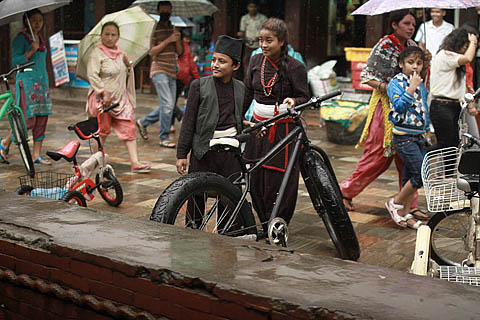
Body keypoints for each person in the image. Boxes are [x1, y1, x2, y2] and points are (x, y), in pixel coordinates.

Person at [340, 9, 429, 220]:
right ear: (394, 25)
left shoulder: (412, 48)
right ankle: (345, 191)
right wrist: (391, 87)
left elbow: (420, 79)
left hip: (410, 111)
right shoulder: (385, 45)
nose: (411, 28)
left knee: (408, 158)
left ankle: (409, 204)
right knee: (378, 156)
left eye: (413, 25)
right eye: (406, 24)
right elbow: (366, 76)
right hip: (386, 108)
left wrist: (426, 60)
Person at [243, 18, 309, 225]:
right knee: (254, 174)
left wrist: (294, 101)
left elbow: (304, 97)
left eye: (268, 40)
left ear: (281, 42)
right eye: (261, 40)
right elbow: (246, 93)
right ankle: (263, 220)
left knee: (277, 179)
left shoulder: (295, 67)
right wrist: (237, 118)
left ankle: (278, 221)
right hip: (257, 127)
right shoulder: (255, 62)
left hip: (283, 129)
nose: (263, 45)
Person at [86, 21, 151, 173]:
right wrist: (102, 91)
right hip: (102, 100)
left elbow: (127, 74)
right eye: (106, 34)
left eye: (113, 34)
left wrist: (128, 64)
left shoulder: (121, 53)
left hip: (121, 99)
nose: (109, 38)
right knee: (102, 131)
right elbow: (92, 74)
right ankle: (95, 160)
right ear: (101, 35)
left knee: (129, 128)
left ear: (118, 37)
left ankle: (135, 162)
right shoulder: (97, 52)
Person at [176, 35, 244, 177]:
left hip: (230, 153)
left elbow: (238, 117)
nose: (215, 65)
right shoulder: (199, 86)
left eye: (222, 61)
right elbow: (188, 122)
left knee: (230, 195)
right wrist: (182, 154)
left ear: (235, 66)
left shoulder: (241, 88)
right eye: (213, 60)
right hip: (204, 152)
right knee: (197, 193)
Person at [385, 46, 430, 229]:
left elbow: (423, 109)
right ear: (401, 63)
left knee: (410, 177)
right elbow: (399, 107)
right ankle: (394, 203)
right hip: (404, 137)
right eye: (410, 62)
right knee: (421, 174)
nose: (415, 67)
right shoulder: (396, 83)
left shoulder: (419, 82)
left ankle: (404, 212)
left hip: (418, 136)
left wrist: (426, 128)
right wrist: (410, 89)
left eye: (419, 63)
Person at [1, 9, 53, 165]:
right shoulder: (20, 39)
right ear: (26, 22)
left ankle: (36, 155)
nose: (37, 24)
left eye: (40, 20)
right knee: (26, 120)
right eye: (33, 20)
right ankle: (4, 143)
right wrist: (31, 50)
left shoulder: (40, 38)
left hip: (42, 84)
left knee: (42, 118)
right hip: (27, 83)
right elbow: (15, 60)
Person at [136, 1, 183, 148]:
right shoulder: (153, 28)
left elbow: (179, 52)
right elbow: (151, 52)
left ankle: (143, 122)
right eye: (163, 11)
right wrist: (168, 40)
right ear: (158, 11)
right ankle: (164, 138)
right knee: (168, 105)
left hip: (172, 71)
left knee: (167, 105)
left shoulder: (173, 28)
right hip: (159, 69)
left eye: (168, 11)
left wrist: (177, 39)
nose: (165, 14)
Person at [429, 29, 478, 151]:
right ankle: (423, 157)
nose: (467, 49)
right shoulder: (445, 55)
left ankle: (449, 171)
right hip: (442, 105)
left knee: (453, 146)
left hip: (455, 105)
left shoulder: (455, 60)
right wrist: (473, 42)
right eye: (465, 46)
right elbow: (468, 58)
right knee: (445, 144)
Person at [171, 30, 200, 132]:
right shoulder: (177, 46)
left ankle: (173, 122)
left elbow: (191, 63)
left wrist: (197, 77)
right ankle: (176, 119)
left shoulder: (184, 47)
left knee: (171, 103)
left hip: (182, 77)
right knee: (171, 102)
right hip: (178, 76)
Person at [237, 1, 267, 77]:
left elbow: (267, 31)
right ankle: (247, 80)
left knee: (260, 62)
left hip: (260, 45)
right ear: (247, 7)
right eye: (250, 6)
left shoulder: (263, 18)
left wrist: (259, 37)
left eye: (254, 6)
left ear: (257, 8)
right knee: (246, 62)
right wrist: (244, 38)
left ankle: (259, 78)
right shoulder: (244, 18)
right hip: (248, 45)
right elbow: (242, 31)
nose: (252, 9)